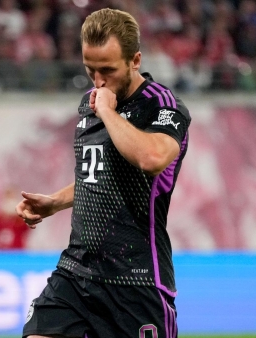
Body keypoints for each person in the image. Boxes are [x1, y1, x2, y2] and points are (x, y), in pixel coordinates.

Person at [16, 8, 191, 338]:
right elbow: (95, 175)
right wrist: (54, 201)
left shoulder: (164, 106)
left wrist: (109, 113)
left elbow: (152, 157)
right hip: (77, 272)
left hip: (137, 280)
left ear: (134, 60)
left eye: (107, 70)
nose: (97, 81)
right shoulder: (89, 103)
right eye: (90, 68)